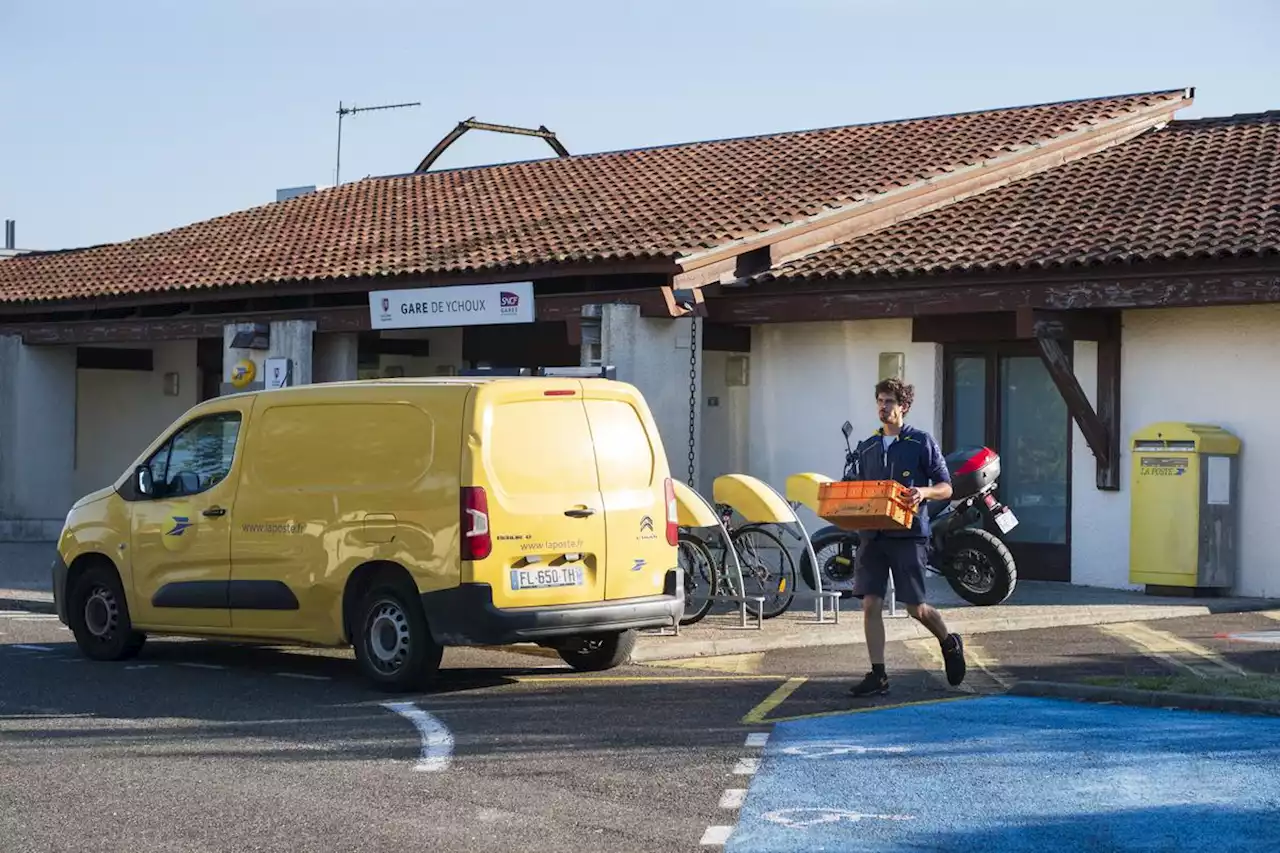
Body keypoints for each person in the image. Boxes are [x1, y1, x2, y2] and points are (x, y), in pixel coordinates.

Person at [848, 378, 966, 697]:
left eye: (889, 401)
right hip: (872, 536)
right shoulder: (868, 447)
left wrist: (923, 492)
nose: (883, 407)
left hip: (908, 534)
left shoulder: (920, 442)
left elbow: (946, 486)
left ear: (903, 406)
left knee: (916, 608)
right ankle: (878, 674)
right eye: (880, 401)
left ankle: (949, 642)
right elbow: (857, 487)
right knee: (870, 603)